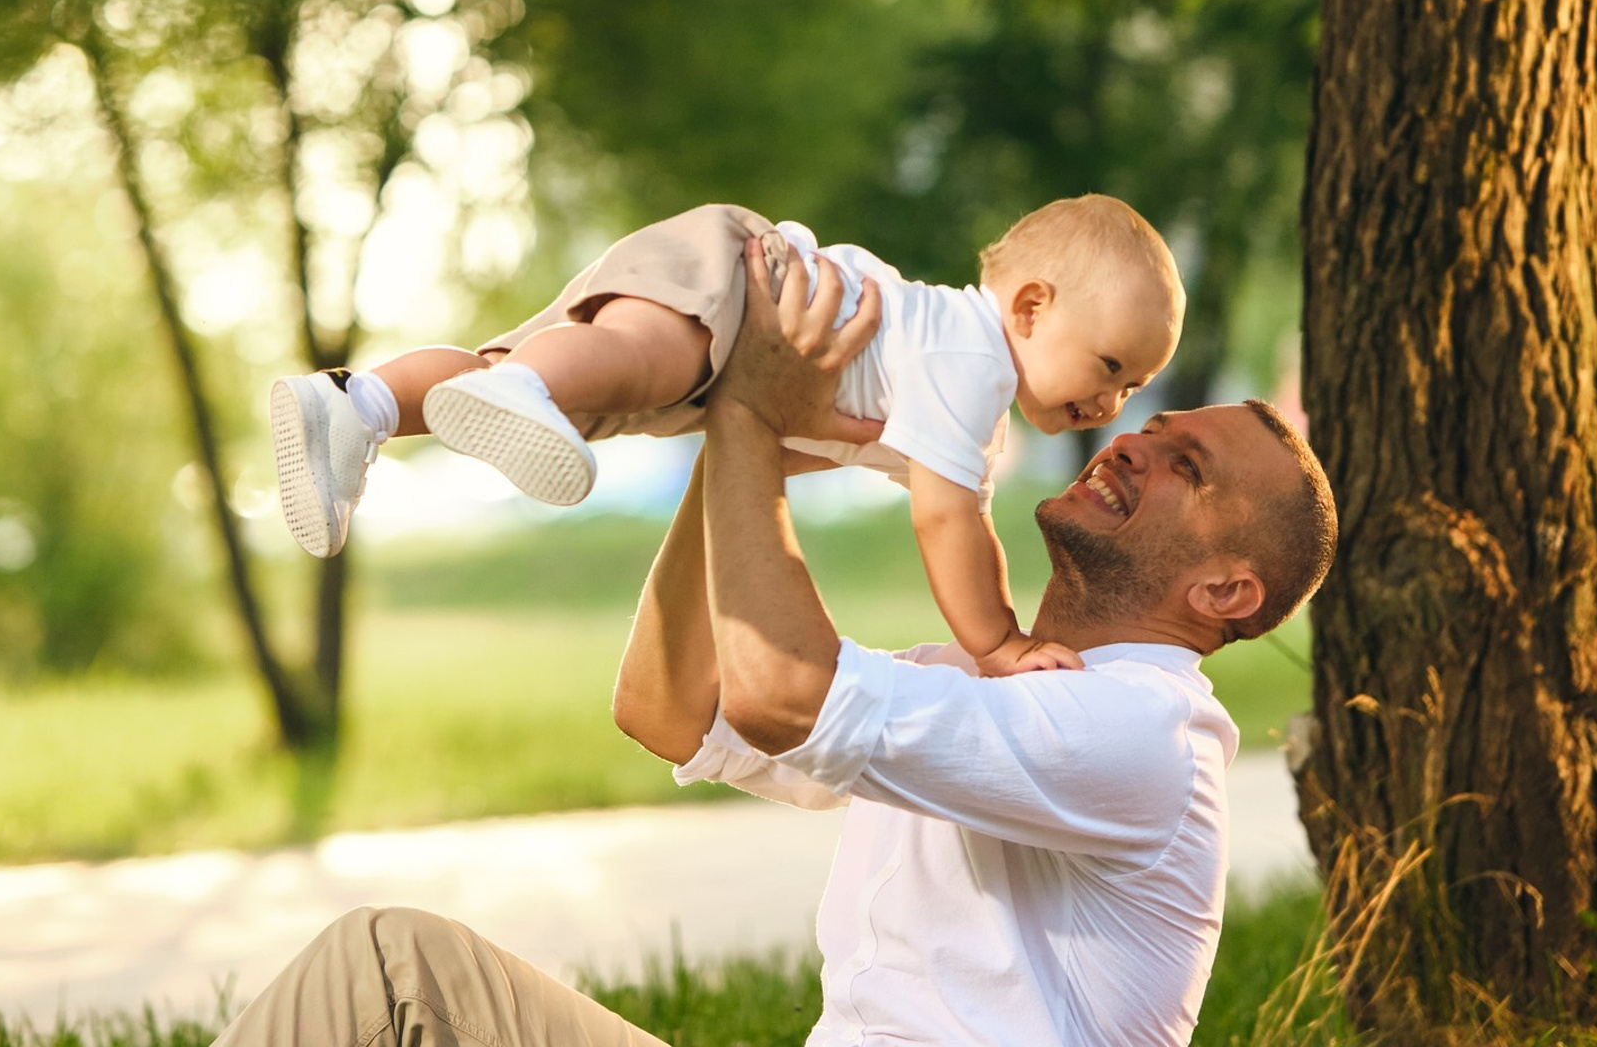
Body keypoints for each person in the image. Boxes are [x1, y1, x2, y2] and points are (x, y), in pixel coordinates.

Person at [218, 237, 1338, 1047]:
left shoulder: (1146, 733)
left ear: (1227, 588)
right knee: (395, 969)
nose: (1136, 445)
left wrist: (755, 410)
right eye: (1149, 425)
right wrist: (738, 436)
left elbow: (781, 696)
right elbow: (671, 707)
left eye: (1186, 469)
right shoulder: (974, 687)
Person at [271, 194, 1184, 675]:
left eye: (1135, 386)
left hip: (725, 331)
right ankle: (522, 387)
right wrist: (997, 644)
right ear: (1030, 307)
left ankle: (356, 410)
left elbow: (838, 452)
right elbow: (952, 521)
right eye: (1110, 368)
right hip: (748, 290)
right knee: (621, 358)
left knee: (565, 365)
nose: (1115, 406)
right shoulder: (976, 364)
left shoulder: (952, 372)